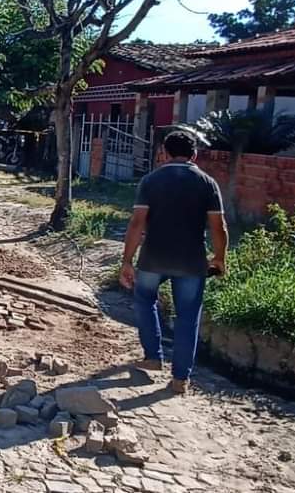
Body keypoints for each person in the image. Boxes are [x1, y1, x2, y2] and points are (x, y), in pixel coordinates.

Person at [120, 131, 228, 395]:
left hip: (153, 257)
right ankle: (180, 379)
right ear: (194, 154)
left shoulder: (150, 181)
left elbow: (137, 223)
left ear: (164, 153)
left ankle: (153, 357)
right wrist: (220, 257)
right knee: (188, 317)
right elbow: (218, 226)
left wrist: (126, 260)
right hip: (191, 261)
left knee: (145, 299)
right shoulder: (207, 183)